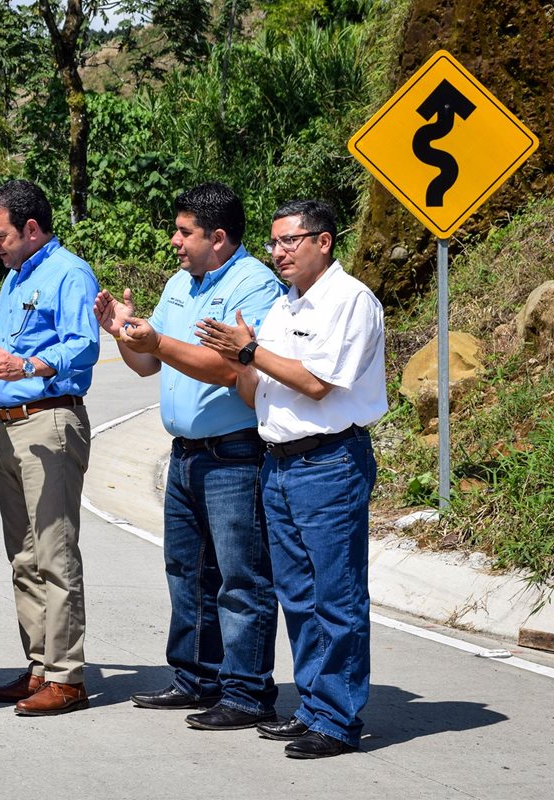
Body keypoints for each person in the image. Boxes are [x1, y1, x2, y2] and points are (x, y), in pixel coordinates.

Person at [197, 198, 387, 759]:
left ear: (323, 242)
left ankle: (337, 720)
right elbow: (260, 389)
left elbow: (319, 384)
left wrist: (250, 351)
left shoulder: (350, 301)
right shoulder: (284, 307)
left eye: (290, 241)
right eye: (275, 242)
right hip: (279, 463)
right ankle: (313, 707)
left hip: (330, 463)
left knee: (338, 597)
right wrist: (242, 365)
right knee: (298, 597)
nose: (278, 252)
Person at [95, 183, 283, 731]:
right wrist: (126, 337)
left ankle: (247, 692)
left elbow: (232, 370)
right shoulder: (180, 284)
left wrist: (156, 343)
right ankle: (197, 677)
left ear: (218, 238)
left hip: (235, 456)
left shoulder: (253, 286)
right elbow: (150, 368)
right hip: (183, 454)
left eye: (184, 232)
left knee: (241, 578)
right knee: (186, 570)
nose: (174, 241)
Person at [0, 179, 100, 716]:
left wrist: (26, 367)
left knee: (55, 552)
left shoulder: (69, 273)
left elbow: (83, 346)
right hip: (10, 424)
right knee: (23, 554)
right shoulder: (17, 277)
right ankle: (40, 666)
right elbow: (10, 341)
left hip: (50, 424)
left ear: (31, 229)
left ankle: (67, 677)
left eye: (0, 236)